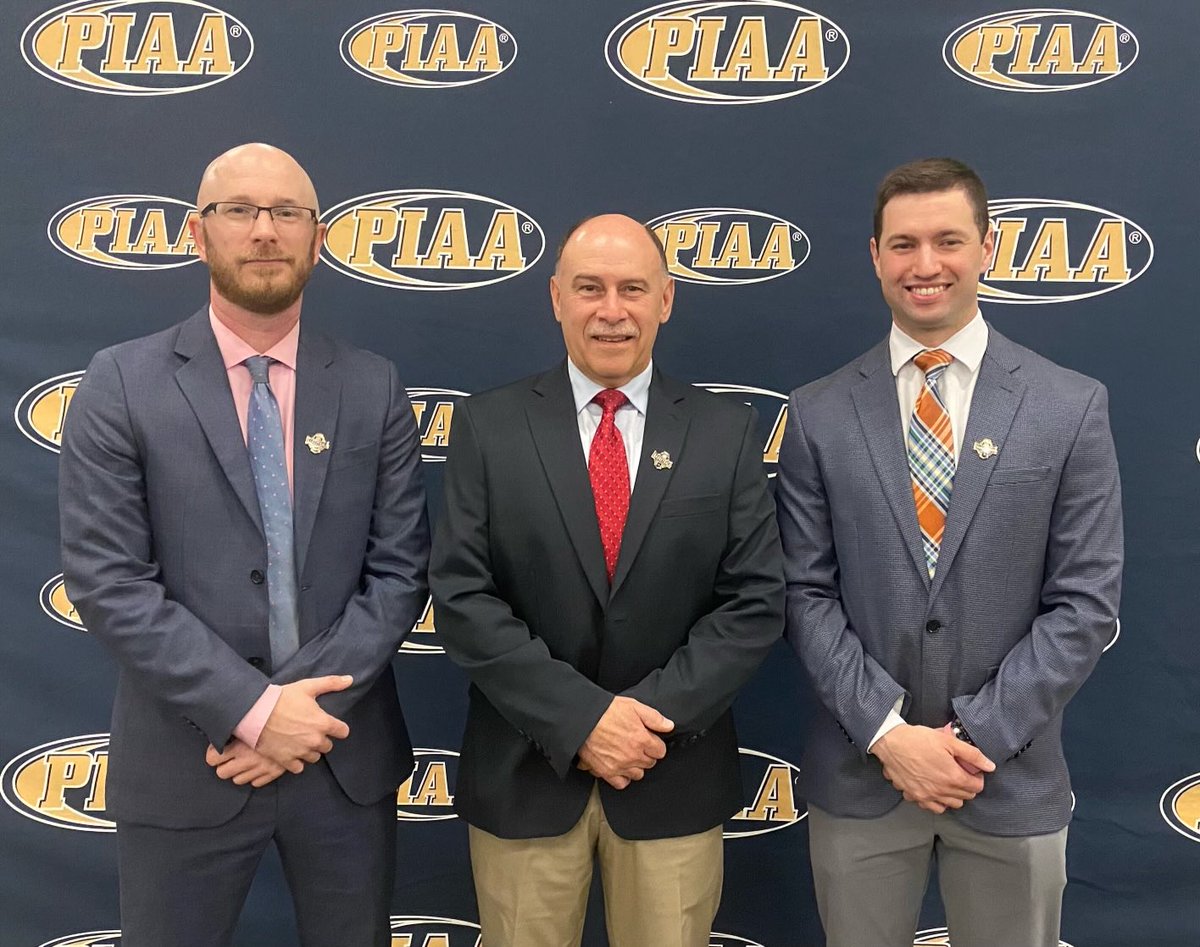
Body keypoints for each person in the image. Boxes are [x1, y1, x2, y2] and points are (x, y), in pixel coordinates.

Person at [58, 142, 430, 947]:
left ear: (317, 238)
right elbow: (109, 579)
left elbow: (400, 573)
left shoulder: (374, 385)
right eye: (240, 211)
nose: (265, 230)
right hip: (189, 760)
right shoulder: (120, 383)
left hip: (341, 761)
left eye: (287, 212)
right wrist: (256, 712)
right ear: (200, 234)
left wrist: (303, 712)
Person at [776, 157, 1123, 947]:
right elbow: (804, 594)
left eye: (947, 240)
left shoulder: (1069, 407)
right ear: (874, 256)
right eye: (903, 244)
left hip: (1009, 775)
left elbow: (1085, 603)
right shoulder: (818, 413)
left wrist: (972, 741)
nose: (924, 265)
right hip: (863, 775)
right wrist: (890, 734)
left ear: (987, 248)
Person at [429, 214, 784, 947]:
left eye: (632, 288)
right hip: (524, 779)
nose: (611, 309)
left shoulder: (726, 432)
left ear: (667, 299)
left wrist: (643, 721)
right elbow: (463, 597)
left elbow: (752, 602)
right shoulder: (488, 427)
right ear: (556, 297)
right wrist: (582, 719)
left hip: (670, 774)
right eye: (590, 288)